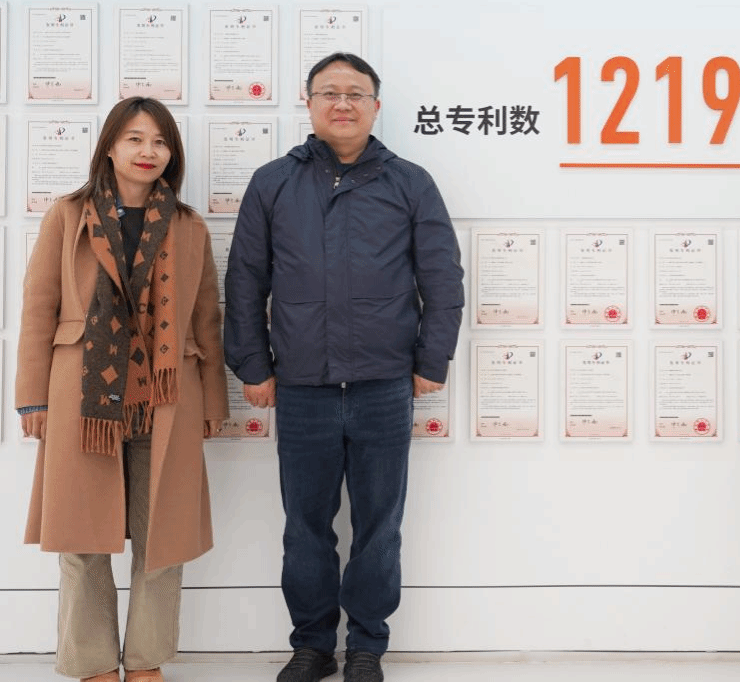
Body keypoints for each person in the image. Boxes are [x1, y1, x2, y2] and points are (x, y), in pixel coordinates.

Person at [225, 52, 464, 682]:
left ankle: (366, 646)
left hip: (384, 384)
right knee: (305, 527)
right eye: (329, 92)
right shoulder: (273, 182)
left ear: (375, 106)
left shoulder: (410, 182)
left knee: (380, 526)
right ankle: (311, 645)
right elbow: (245, 280)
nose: (342, 103)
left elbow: (443, 277)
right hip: (302, 385)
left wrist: (431, 359)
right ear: (308, 103)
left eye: (355, 93)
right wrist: (252, 365)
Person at [16, 97, 228, 682]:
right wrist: (32, 398)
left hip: (167, 399)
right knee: (81, 537)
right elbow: (38, 309)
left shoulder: (188, 226)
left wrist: (214, 400)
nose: (147, 151)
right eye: (135, 138)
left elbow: (206, 320)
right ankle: (91, 662)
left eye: (160, 142)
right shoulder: (69, 216)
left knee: (163, 537)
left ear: (171, 154)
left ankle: (144, 661)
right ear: (110, 146)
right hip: (83, 399)